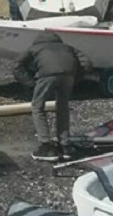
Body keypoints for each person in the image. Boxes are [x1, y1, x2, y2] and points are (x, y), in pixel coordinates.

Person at [13, 31, 93, 162]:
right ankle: (65, 146)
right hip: (68, 75)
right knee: (62, 108)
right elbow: (87, 63)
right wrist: (75, 78)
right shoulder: (67, 47)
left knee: (38, 107)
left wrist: (30, 83)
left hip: (47, 75)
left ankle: (46, 146)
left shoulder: (35, 48)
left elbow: (17, 65)